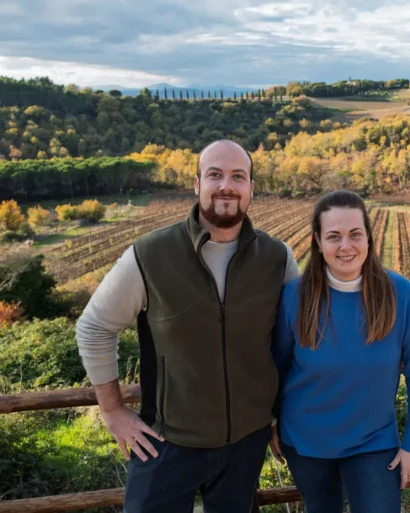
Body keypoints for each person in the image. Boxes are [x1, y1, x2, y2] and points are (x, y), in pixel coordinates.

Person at [75, 139, 300, 513]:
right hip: (165, 442)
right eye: (215, 175)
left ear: (251, 189)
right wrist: (113, 411)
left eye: (237, 177)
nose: (226, 186)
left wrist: (282, 415)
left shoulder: (277, 258)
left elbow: (294, 340)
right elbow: (94, 327)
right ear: (197, 185)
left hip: (246, 442)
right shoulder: (150, 253)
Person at [270, 190, 410, 513]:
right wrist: (271, 421)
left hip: (373, 440)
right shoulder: (295, 297)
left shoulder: (400, 294)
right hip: (305, 441)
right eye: (334, 236)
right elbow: (276, 365)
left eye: (354, 234)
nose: (345, 246)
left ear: (369, 238)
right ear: (318, 242)